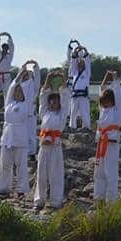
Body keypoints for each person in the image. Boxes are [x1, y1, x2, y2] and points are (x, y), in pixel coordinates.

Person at [0, 68, 36, 198]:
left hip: (20, 136)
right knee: (5, 163)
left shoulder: (27, 105)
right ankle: (3, 187)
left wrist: (30, 73)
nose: (17, 93)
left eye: (20, 91)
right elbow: (11, 87)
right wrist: (19, 74)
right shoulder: (9, 103)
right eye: (16, 91)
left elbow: (31, 87)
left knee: (21, 164)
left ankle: (21, 189)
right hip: (7, 136)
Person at [35, 70, 69, 211]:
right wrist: (48, 78)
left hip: (55, 146)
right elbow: (43, 97)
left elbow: (66, 98)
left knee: (56, 174)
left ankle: (55, 200)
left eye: (56, 101)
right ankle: (39, 200)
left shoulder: (62, 114)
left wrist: (63, 79)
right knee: (41, 174)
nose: (53, 103)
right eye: (51, 100)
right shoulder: (44, 113)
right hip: (44, 146)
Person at [94, 70, 121, 203]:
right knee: (99, 173)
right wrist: (106, 77)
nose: (105, 104)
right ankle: (98, 198)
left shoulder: (117, 110)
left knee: (111, 173)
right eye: (103, 102)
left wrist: (114, 78)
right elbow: (102, 89)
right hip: (101, 143)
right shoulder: (103, 110)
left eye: (107, 101)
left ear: (112, 101)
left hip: (111, 144)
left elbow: (118, 94)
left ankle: (111, 200)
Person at [68, 41, 92, 129]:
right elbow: (73, 62)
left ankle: (86, 127)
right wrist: (75, 51)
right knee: (73, 112)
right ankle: (72, 127)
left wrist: (85, 50)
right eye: (79, 64)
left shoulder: (87, 73)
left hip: (83, 95)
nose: (80, 64)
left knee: (84, 112)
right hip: (75, 95)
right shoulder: (74, 72)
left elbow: (88, 62)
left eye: (82, 63)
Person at [0, 32, 15, 111]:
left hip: (6, 77)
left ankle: (6, 108)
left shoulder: (10, 56)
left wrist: (9, 37)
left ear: (7, 49)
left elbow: (12, 48)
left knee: (6, 93)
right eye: (3, 48)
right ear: (2, 48)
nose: (4, 49)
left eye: (6, 48)